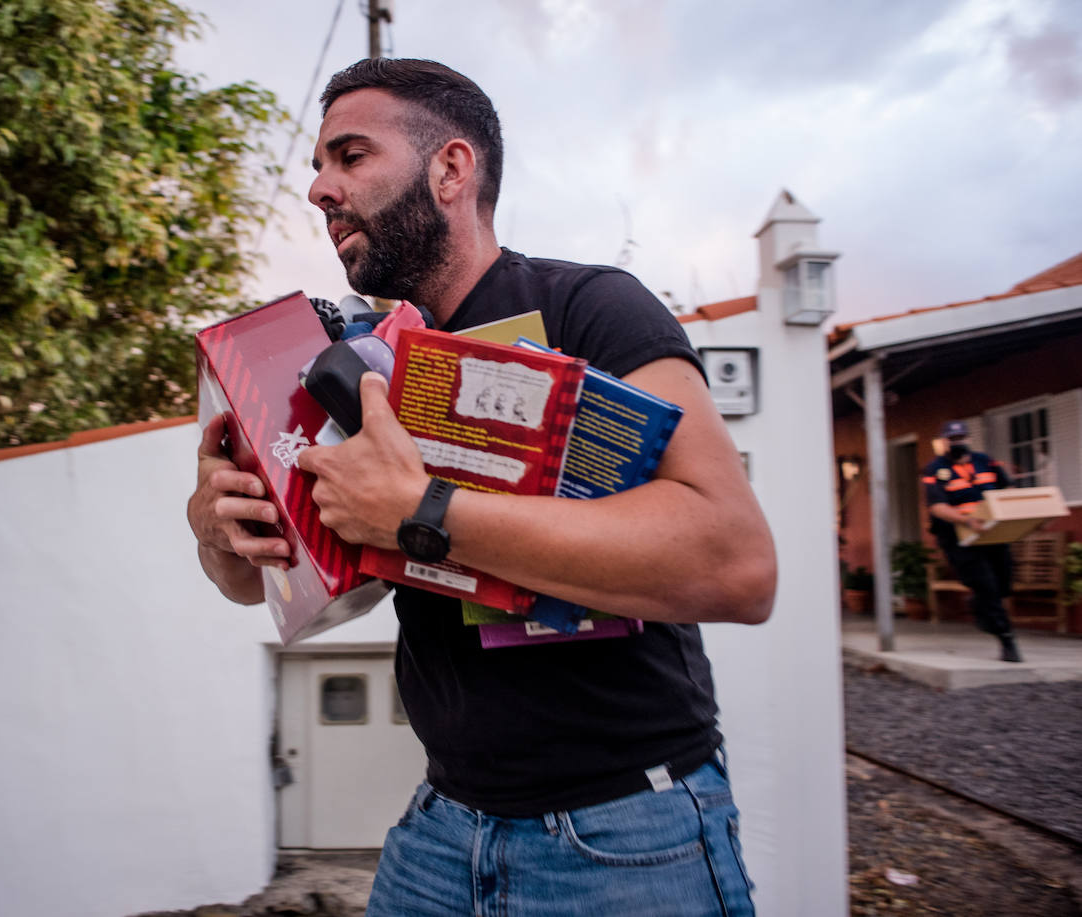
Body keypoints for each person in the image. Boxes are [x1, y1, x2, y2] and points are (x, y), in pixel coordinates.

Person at [187, 58, 777, 916]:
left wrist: (424, 513)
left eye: (349, 157)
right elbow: (256, 585)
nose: (319, 188)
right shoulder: (348, 363)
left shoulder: (592, 308)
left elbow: (737, 564)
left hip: (625, 836)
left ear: (451, 169)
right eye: (318, 166)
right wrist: (215, 528)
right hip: (441, 829)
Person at [922, 420, 1021, 662]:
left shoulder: (986, 462)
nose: (957, 442)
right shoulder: (935, 469)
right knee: (986, 584)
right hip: (959, 538)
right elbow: (937, 506)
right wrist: (966, 521)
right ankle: (1006, 638)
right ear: (944, 441)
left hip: (993, 534)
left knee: (1003, 582)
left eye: (961, 438)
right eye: (952, 439)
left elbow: (1006, 491)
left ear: (968, 439)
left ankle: (978, 604)